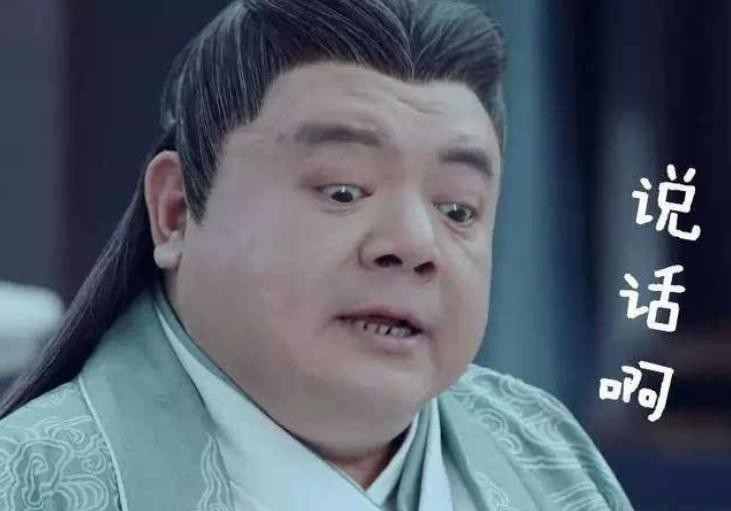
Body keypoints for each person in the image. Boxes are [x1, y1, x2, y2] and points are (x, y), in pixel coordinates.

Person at [0, 0, 633, 509]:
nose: (414, 246)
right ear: (178, 209)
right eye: (343, 191)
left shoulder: (545, 455)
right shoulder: (32, 483)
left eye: (458, 210)